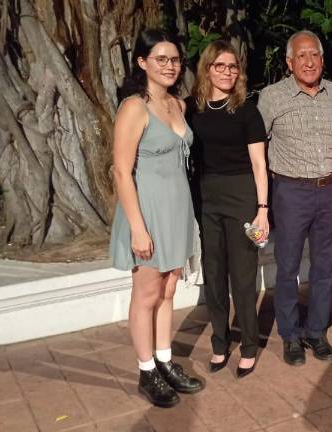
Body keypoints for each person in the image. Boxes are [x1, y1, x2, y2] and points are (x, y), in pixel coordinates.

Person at [109, 28, 203, 407]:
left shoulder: (178, 106)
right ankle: (146, 370)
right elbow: (120, 171)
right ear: (143, 63)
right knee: (146, 294)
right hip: (147, 211)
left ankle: (165, 361)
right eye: (160, 59)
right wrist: (137, 227)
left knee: (168, 290)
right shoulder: (135, 106)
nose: (169, 66)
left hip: (177, 210)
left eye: (175, 59)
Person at [257, 30, 332, 366]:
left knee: (325, 266)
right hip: (290, 191)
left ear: (322, 60)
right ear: (289, 62)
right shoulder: (271, 97)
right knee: (288, 266)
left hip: (330, 190)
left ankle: (317, 332)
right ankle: (290, 335)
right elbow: (257, 146)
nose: (309, 62)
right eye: (302, 56)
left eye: (315, 55)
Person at [189, 40, 268, 379]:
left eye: (233, 67)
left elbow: (259, 164)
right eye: (220, 66)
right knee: (214, 273)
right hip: (207, 196)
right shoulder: (191, 109)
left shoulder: (248, 110)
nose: (227, 72)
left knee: (243, 274)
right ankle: (220, 342)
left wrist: (263, 209)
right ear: (207, 69)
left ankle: (249, 345)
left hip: (242, 196)